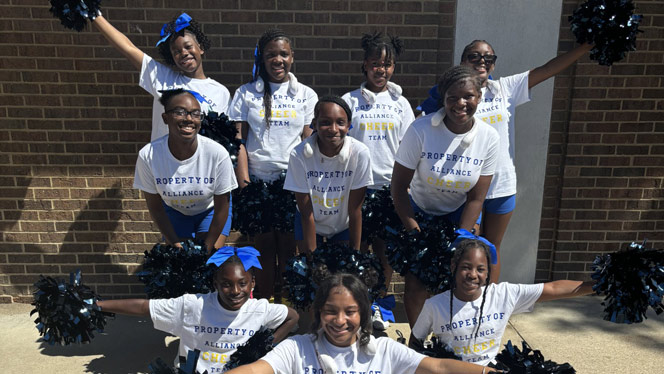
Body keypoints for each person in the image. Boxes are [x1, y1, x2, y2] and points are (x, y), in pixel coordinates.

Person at [422, 41, 593, 282]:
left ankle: (489, 307)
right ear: (462, 62)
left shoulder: (505, 88)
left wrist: (585, 47)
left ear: (493, 65)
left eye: (488, 58)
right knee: (465, 250)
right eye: (474, 57)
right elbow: (424, 131)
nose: (482, 62)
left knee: (491, 248)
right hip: (466, 187)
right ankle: (460, 303)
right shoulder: (451, 95)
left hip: (501, 184)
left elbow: (548, 70)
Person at [391, 65, 499, 327]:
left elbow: (476, 197)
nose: (460, 103)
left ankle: (445, 341)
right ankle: (418, 345)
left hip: (457, 216)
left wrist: (461, 238)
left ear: (479, 97)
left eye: (468, 97)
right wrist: (414, 231)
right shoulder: (421, 129)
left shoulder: (489, 138)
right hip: (419, 214)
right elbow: (398, 187)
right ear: (444, 99)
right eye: (453, 97)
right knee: (416, 283)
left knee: (451, 283)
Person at [224, 273, 496, 374]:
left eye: (350, 312)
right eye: (330, 311)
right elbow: (255, 370)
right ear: (318, 313)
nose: (340, 321)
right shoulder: (297, 349)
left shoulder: (385, 351)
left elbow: (438, 367)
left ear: (363, 315)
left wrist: (487, 373)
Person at [97, 247, 299, 374]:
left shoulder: (260, 310)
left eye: (242, 283)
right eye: (226, 284)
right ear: (215, 283)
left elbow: (292, 317)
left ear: (252, 283)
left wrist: (265, 346)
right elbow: (143, 307)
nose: (236, 291)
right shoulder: (193, 305)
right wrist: (97, 306)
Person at [229, 28, 318, 299]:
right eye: (271, 55)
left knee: (291, 247)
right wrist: (245, 184)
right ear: (262, 59)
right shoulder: (246, 93)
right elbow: (238, 141)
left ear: (292, 57)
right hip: (259, 183)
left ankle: (287, 305)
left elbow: (309, 140)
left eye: (283, 54)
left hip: (293, 183)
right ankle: (265, 303)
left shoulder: (305, 94)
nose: (277, 60)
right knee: (264, 249)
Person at [409, 237, 594, 365]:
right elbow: (415, 342)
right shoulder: (435, 306)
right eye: (466, 267)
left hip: (489, 370)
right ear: (453, 267)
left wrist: (598, 286)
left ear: (488, 272)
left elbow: (553, 288)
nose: (473, 275)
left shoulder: (503, 295)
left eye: (480, 269)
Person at [342, 32, 415, 330]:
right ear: (365, 65)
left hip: (391, 190)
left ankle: (381, 303)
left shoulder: (401, 103)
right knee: (360, 251)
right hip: (359, 189)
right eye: (375, 63)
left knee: (385, 252)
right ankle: (361, 303)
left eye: (387, 64)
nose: (381, 70)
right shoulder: (351, 101)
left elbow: (411, 146)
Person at [90, 12, 231, 141]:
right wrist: (93, 14)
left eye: (188, 47)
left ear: (200, 48)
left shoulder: (220, 92)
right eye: (176, 51)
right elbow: (128, 48)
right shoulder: (163, 78)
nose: (184, 53)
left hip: (201, 167)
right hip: (163, 165)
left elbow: (227, 138)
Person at [133, 89, 236, 252]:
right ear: (165, 118)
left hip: (210, 211)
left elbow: (222, 208)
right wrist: (175, 244)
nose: (189, 119)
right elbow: (156, 208)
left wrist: (206, 251)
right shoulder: (149, 155)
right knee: (179, 264)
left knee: (211, 261)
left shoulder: (217, 154)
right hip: (174, 211)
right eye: (180, 112)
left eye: (195, 114)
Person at [284, 96, 373, 254]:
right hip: (309, 221)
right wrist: (312, 259)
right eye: (325, 122)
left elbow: (355, 210)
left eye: (340, 122)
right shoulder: (298, 154)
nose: (333, 129)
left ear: (349, 125)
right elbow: (306, 213)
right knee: (312, 274)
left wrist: (355, 255)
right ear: (314, 124)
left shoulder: (360, 153)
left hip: (344, 224)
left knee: (342, 274)